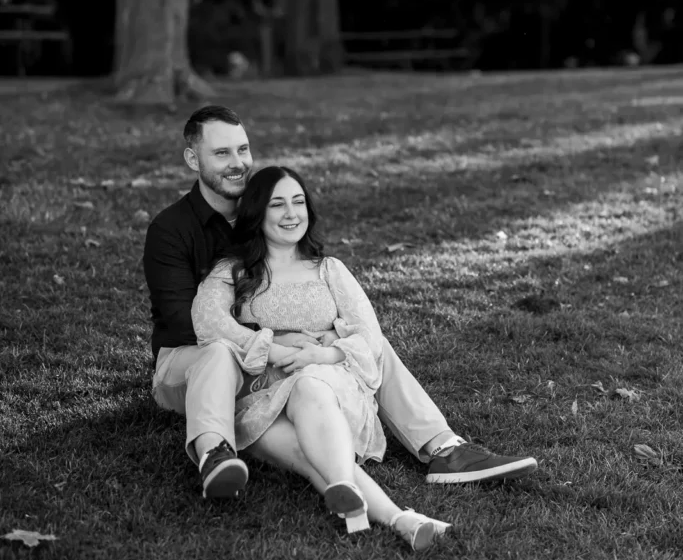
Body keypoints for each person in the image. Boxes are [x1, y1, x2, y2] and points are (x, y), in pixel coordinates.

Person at [145, 105, 538, 501]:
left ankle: (444, 447)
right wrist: (279, 340)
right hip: (195, 359)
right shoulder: (171, 230)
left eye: (242, 149)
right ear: (193, 159)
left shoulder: (265, 204)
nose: (237, 163)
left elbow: (296, 276)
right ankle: (226, 452)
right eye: (221, 153)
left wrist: (328, 342)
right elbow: (186, 323)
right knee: (222, 353)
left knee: (372, 343)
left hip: (267, 357)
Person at [191, 165, 453, 550]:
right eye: (277, 204)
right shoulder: (233, 271)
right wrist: (272, 348)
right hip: (261, 399)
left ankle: (350, 490)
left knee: (309, 386)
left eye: (298, 202)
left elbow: (370, 335)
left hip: (327, 389)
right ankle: (401, 519)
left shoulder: (330, 270)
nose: (291, 213)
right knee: (307, 453)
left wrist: (324, 352)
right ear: (257, 213)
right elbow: (208, 321)